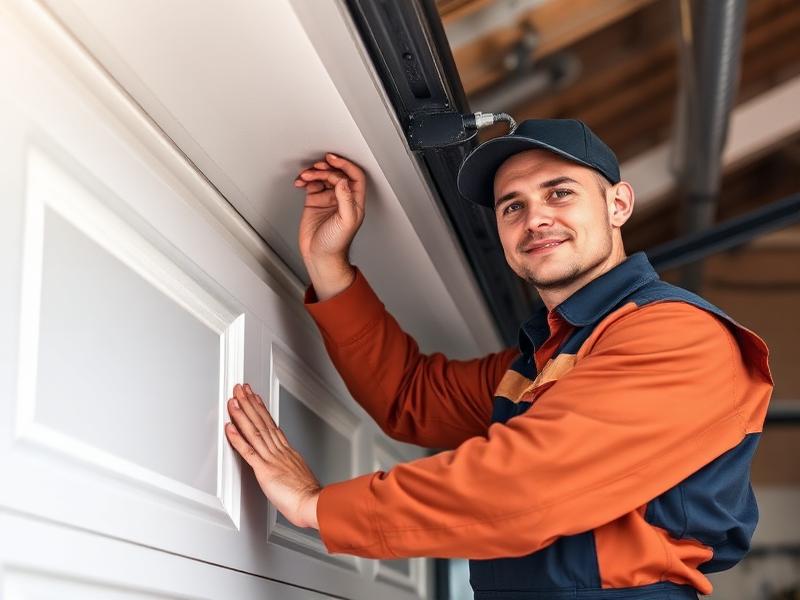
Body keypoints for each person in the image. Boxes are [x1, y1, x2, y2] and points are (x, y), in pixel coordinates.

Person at [224, 119, 773, 599]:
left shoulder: (674, 335)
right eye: (514, 206)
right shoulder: (544, 356)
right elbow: (410, 398)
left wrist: (315, 508)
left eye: (559, 193)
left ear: (618, 205)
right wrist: (328, 263)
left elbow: (527, 485)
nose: (535, 219)